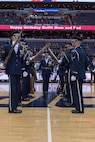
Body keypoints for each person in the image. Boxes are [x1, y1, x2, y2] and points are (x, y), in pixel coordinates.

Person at [1, 31, 23, 113]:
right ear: (12, 37)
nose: (18, 37)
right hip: (11, 70)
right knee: (13, 90)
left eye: (18, 36)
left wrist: (21, 55)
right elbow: (3, 57)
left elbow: (20, 59)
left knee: (17, 90)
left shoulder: (20, 47)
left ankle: (15, 106)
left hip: (18, 70)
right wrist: (2, 64)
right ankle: (11, 108)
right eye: (16, 36)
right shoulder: (7, 47)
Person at [70, 36, 92, 114]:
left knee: (77, 92)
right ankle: (79, 107)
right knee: (78, 92)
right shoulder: (82, 51)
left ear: (77, 41)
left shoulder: (75, 52)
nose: (72, 42)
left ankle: (79, 109)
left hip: (77, 75)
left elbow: (75, 63)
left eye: (73, 41)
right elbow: (87, 62)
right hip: (81, 73)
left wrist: (74, 74)